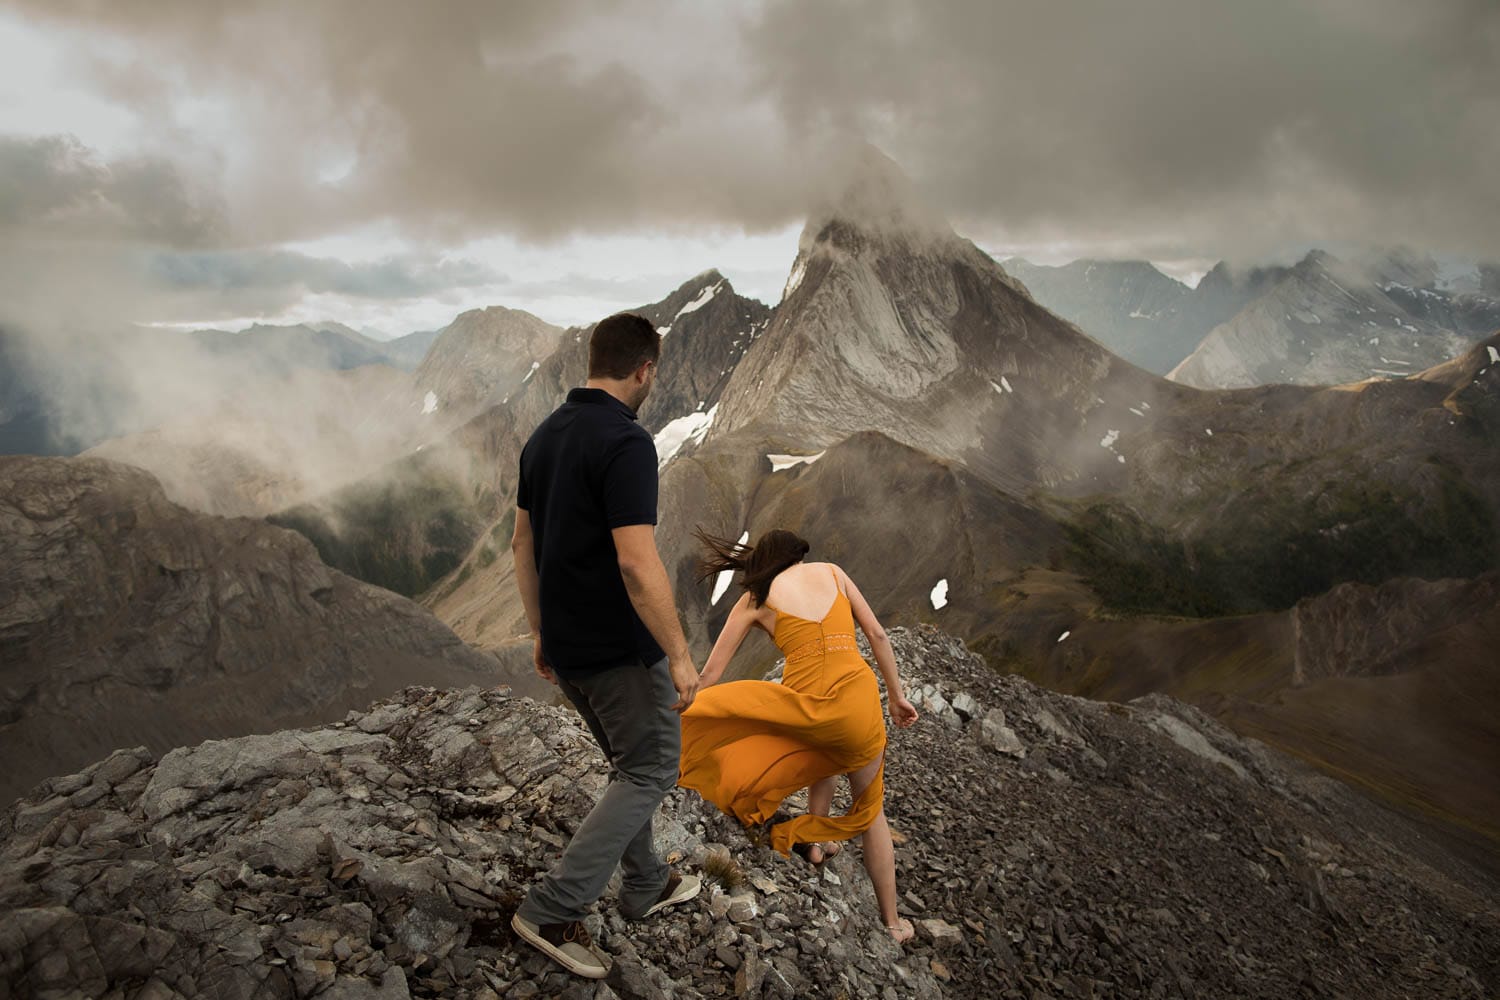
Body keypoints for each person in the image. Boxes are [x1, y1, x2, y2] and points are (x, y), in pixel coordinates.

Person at [509, 312, 703, 980]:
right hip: (620, 652)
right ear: (645, 369)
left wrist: (540, 632)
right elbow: (635, 560)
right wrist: (678, 654)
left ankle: (647, 882)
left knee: (629, 770)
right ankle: (551, 909)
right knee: (650, 770)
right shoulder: (626, 442)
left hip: (567, 650)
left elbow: (522, 544)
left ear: (593, 360)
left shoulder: (544, 437)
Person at [678, 529, 921, 943]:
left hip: (809, 709)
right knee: (871, 810)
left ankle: (814, 840)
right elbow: (879, 635)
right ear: (797, 555)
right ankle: (893, 923)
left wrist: (682, 702)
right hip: (859, 705)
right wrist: (897, 697)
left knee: (816, 740)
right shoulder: (833, 572)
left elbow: (711, 675)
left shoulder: (755, 599)